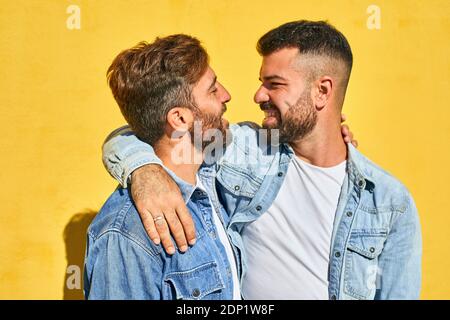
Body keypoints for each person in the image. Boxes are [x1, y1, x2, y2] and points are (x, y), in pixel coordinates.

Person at [102, 20, 421, 299]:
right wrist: (143, 169)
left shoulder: (389, 202)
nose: (257, 95)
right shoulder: (246, 149)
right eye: (261, 82)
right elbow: (152, 128)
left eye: (275, 84)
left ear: (322, 91)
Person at [84, 34, 242, 299]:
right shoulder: (126, 234)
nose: (227, 95)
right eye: (213, 90)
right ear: (179, 118)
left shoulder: (211, 183)